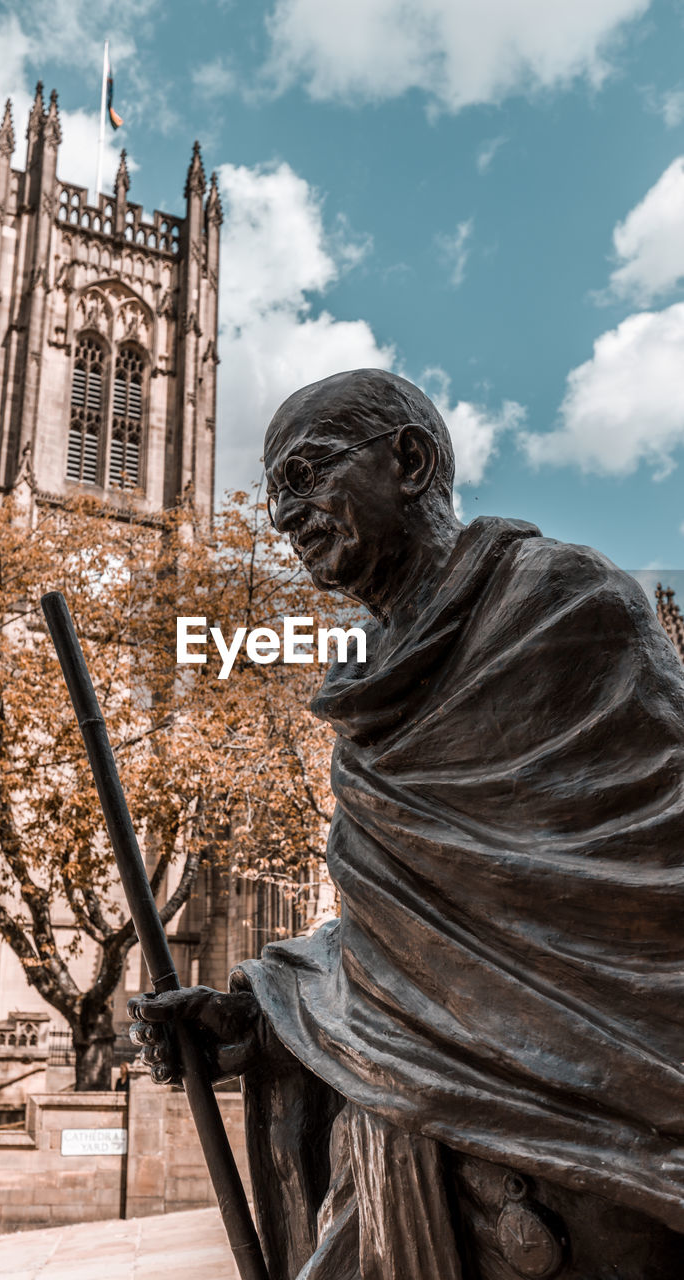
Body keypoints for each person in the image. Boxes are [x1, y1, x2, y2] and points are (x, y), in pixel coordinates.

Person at [130, 370, 684, 1280]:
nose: (286, 518)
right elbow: (401, 942)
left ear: (411, 460)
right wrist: (258, 1010)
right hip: (406, 1151)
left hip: (583, 1153)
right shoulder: (361, 702)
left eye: (305, 475)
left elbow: (645, 876)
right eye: (274, 501)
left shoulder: (564, 607)